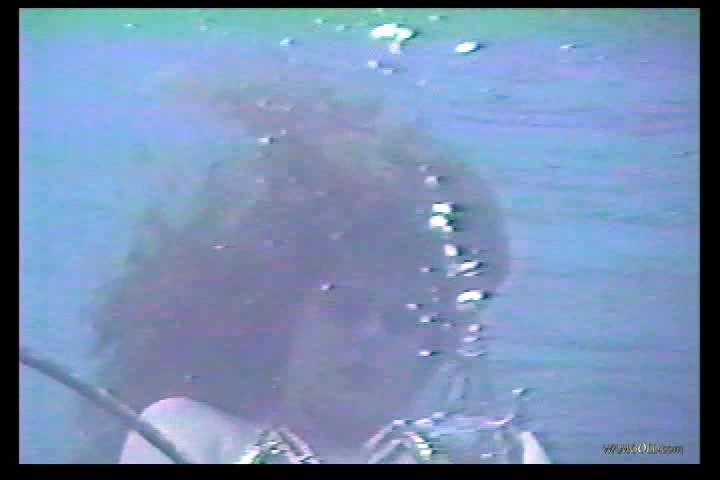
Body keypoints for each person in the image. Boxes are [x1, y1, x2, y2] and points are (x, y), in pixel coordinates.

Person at [78, 64, 549, 464]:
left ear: (435, 344)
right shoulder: (193, 433)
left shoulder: (502, 454)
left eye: (402, 320)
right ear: (287, 316)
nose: (369, 336)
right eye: (345, 308)